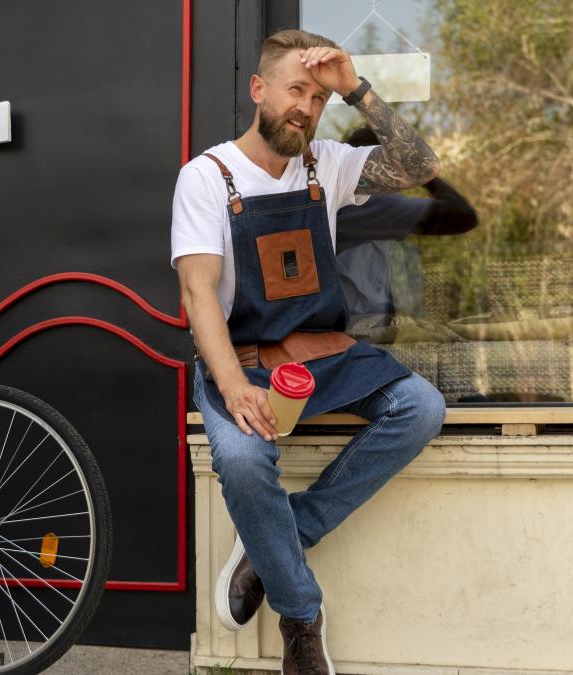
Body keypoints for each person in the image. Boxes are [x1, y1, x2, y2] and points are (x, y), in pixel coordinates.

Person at [171, 29, 446, 674]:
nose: (306, 107)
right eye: (297, 90)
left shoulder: (328, 162)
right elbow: (198, 291)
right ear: (258, 89)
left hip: (325, 357)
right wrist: (234, 389)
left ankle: (278, 539)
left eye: (319, 98)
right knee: (240, 462)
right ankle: (301, 617)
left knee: (421, 408)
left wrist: (357, 89)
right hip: (242, 364)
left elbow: (422, 166)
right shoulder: (207, 176)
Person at [335, 125, 478, 330]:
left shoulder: (340, 201)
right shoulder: (369, 205)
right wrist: (424, 173)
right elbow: (462, 216)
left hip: (353, 324)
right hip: (359, 329)